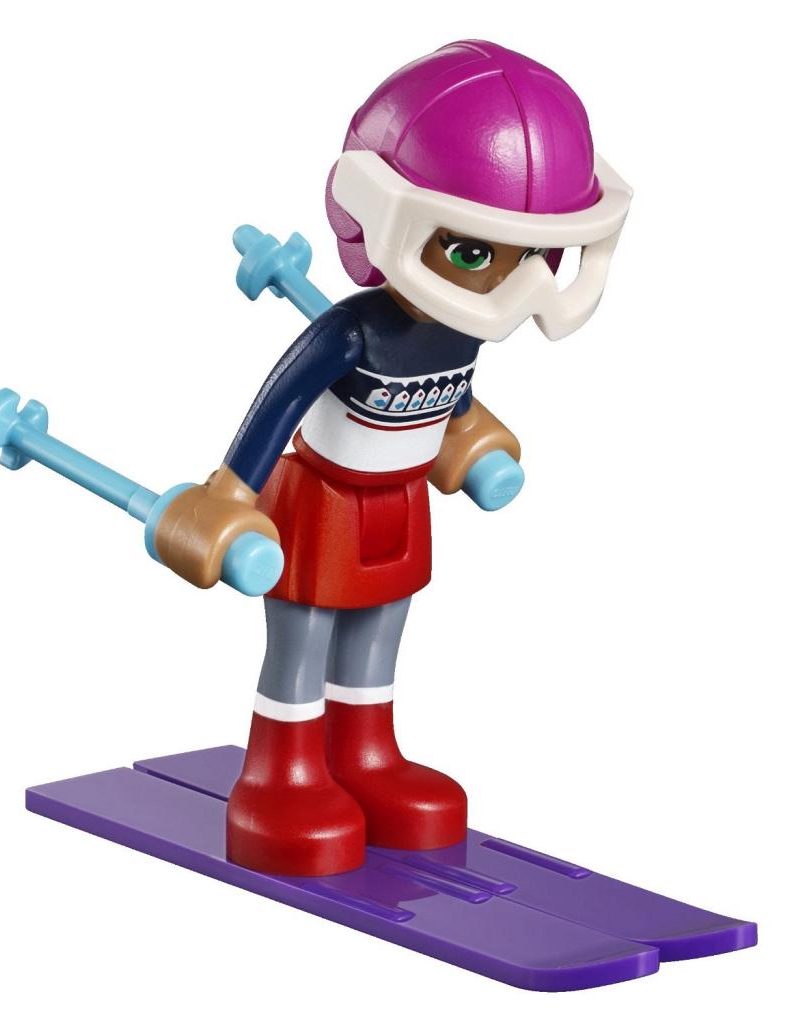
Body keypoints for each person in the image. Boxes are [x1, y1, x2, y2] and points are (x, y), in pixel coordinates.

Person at [155, 40, 632, 876]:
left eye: (532, 255)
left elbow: (446, 399)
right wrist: (228, 496)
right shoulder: (351, 331)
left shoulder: (462, 328)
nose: (509, 288)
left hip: (400, 501)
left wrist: (469, 438)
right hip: (321, 503)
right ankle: (280, 773)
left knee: (381, 629)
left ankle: (365, 757)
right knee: (303, 638)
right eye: (474, 252)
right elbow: (275, 410)